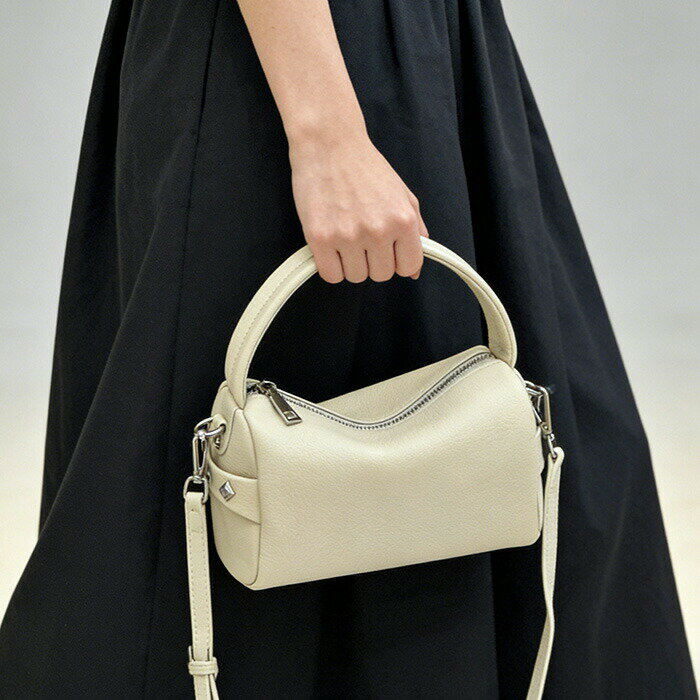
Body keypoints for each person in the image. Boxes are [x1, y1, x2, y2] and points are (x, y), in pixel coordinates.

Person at [0, 0, 695, 697]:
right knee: (251, 491)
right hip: (296, 61)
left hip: (425, 48)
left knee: (502, 468)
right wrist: (325, 132)